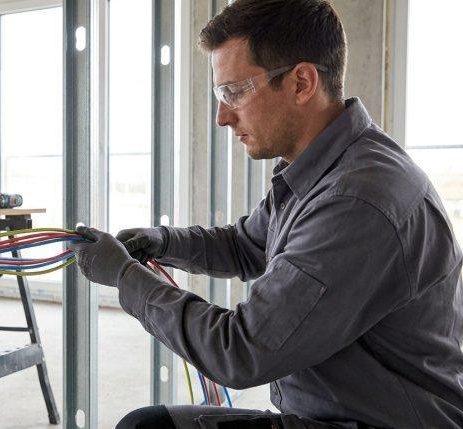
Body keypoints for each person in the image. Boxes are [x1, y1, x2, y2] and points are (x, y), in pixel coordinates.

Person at [67, 0, 463, 427]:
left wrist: (127, 279)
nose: (222, 116)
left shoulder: (357, 201)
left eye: (234, 92)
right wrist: (165, 242)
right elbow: (245, 246)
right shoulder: (320, 168)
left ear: (301, 83)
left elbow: (241, 351)